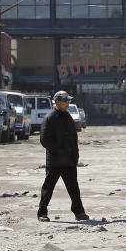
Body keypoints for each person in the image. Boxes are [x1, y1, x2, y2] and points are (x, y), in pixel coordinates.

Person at [38, 91, 89, 222]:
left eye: (68, 101)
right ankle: (42, 213)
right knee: (48, 188)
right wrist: (60, 151)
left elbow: (73, 138)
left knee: (74, 188)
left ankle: (79, 212)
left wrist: (75, 156)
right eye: (66, 101)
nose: (68, 103)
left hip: (69, 161)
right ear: (58, 102)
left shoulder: (68, 117)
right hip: (55, 161)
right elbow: (44, 140)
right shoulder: (50, 118)